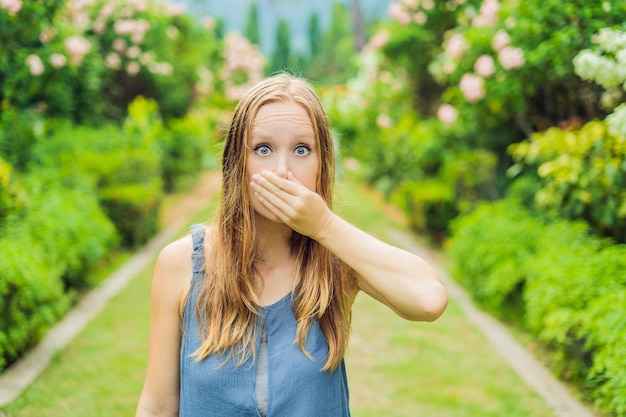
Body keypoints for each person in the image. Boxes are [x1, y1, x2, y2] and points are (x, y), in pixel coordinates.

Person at [135, 73, 448, 417]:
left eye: (301, 150)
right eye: (263, 149)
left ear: (321, 165)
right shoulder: (182, 263)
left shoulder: (337, 261)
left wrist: (325, 226)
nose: (282, 170)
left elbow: (429, 300)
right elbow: (158, 406)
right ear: (237, 162)